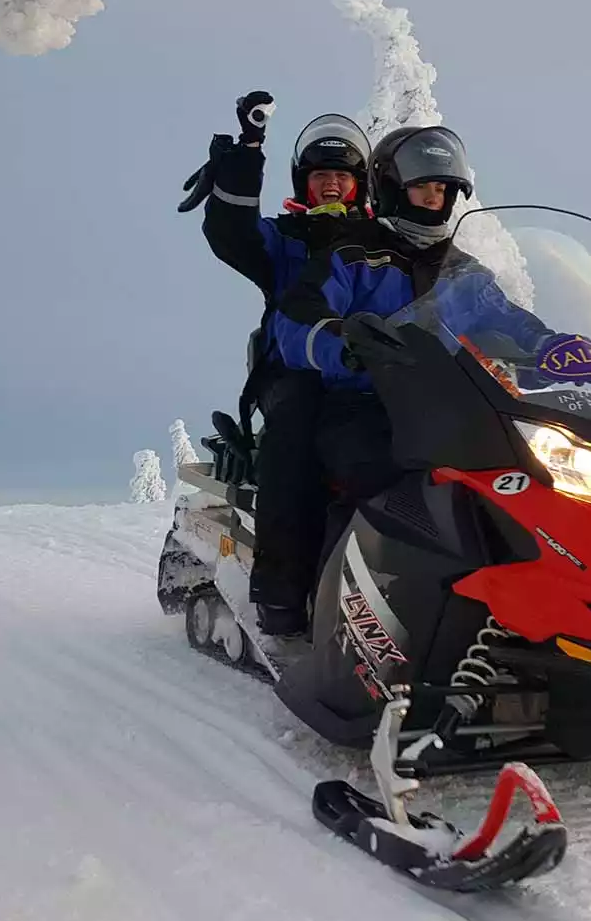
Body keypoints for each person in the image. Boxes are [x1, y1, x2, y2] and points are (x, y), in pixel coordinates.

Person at [272, 125, 554, 501]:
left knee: (535, 481)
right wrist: (346, 343)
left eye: (441, 189)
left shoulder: (462, 273)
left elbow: (511, 321)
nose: (433, 198)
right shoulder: (353, 255)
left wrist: (558, 347)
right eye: (422, 187)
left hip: (456, 412)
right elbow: (298, 317)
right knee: (389, 482)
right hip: (365, 408)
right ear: (391, 188)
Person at [182, 93, 373, 638]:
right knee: (296, 443)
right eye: (319, 177)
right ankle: (281, 596)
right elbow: (232, 232)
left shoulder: (382, 239)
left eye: (341, 176)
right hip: (295, 371)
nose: (331, 184)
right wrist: (247, 152)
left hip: (375, 372)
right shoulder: (286, 239)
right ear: (302, 183)